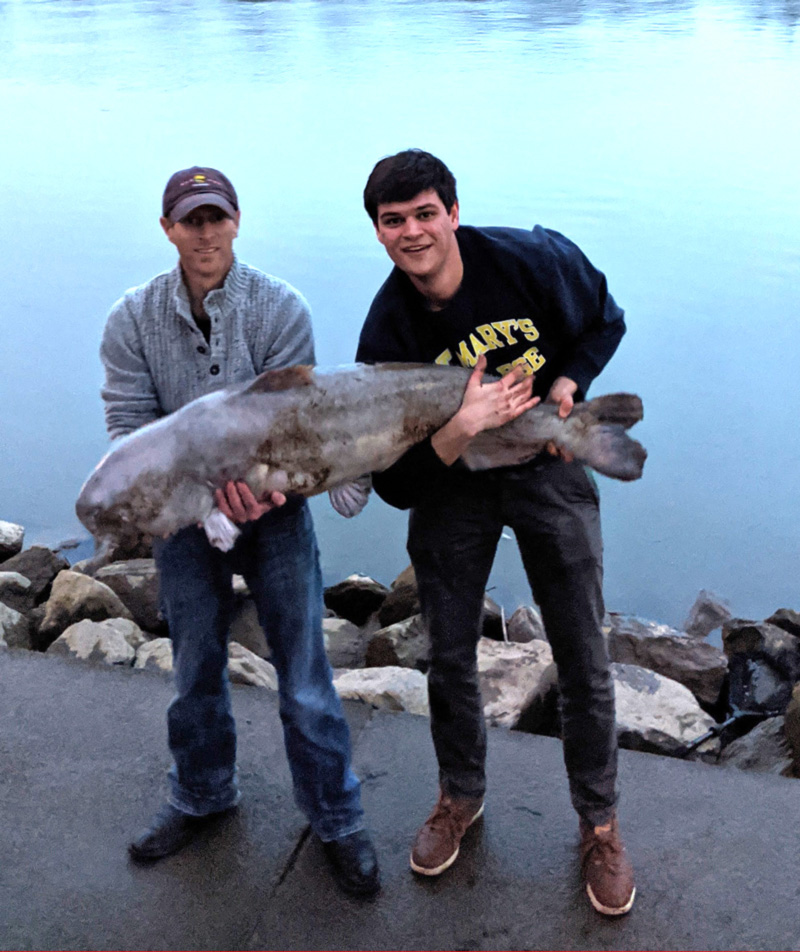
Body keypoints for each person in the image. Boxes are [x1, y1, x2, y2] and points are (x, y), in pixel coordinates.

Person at [352, 149, 635, 915]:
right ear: (378, 232)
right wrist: (461, 428)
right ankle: (460, 798)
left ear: (451, 210)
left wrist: (571, 383)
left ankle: (600, 826)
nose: (412, 232)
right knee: (447, 654)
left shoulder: (530, 260)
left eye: (424, 213)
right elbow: (394, 484)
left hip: (547, 461)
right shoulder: (386, 336)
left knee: (582, 651)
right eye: (393, 220)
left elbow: (604, 317)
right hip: (452, 490)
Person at [99, 166, 380, 897]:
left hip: (278, 515)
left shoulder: (281, 307)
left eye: (215, 218)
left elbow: (304, 426)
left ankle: (337, 818)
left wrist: (259, 493)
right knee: (193, 671)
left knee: (305, 678)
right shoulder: (131, 320)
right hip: (185, 524)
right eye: (190, 221)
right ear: (167, 229)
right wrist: (194, 505)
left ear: (236, 221)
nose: (204, 233)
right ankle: (201, 797)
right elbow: (130, 433)